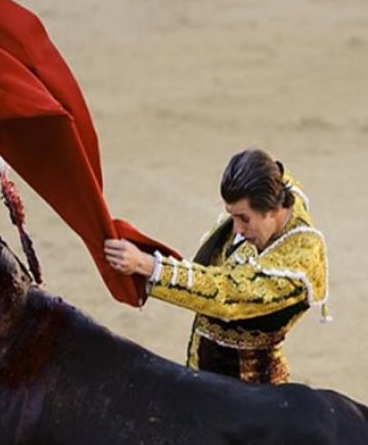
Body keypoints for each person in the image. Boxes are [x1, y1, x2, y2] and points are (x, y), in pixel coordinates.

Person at [104, 149, 329, 384]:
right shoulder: (278, 192)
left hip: (254, 390)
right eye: (233, 216)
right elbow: (277, 173)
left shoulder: (300, 260)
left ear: (272, 210)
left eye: (244, 218)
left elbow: (226, 293)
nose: (237, 229)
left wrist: (147, 265)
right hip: (204, 371)